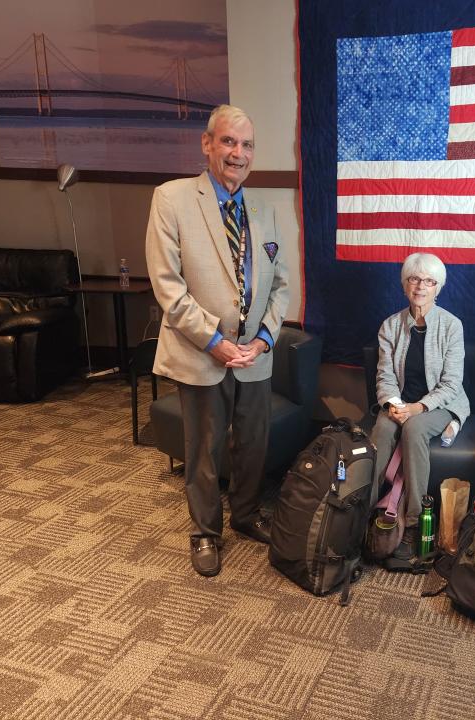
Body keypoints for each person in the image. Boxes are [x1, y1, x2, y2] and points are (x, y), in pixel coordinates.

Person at [145, 104, 289, 577]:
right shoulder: (172, 199)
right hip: (202, 353)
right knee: (204, 449)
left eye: (246, 145)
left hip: (254, 356)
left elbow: (281, 285)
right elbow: (168, 286)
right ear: (207, 144)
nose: (238, 153)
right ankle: (205, 532)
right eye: (228, 141)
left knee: (252, 442)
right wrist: (213, 341)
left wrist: (264, 340)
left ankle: (245, 515)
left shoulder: (265, 211)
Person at [370, 253, 470, 562]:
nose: (421, 286)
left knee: (413, 428)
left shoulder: (451, 326)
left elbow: (452, 383)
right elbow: (385, 375)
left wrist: (418, 408)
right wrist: (394, 404)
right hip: (402, 403)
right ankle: (363, 509)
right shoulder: (390, 326)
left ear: (438, 287)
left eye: (429, 281)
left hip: (441, 403)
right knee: (382, 428)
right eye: (414, 279)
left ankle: (413, 521)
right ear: (404, 285)